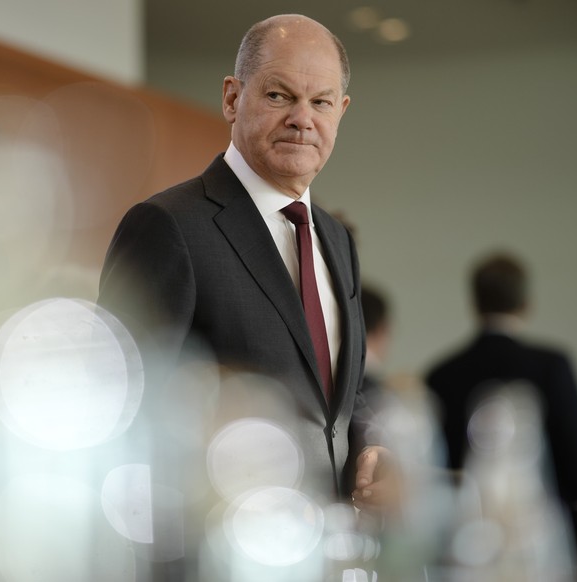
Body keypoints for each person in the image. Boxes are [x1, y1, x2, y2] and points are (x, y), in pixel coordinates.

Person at [98, 11, 397, 545]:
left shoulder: (337, 238)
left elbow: (335, 397)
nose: (303, 119)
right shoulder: (168, 226)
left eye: (321, 102)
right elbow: (121, 412)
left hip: (322, 551)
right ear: (233, 98)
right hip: (212, 551)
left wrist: (370, 447)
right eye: (280, 96)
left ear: (341, 112)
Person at [423, 251, 577, 557]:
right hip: (544, 548)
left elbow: (435, 476)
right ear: (526, 304)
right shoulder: (553, 366)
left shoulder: (441, 374)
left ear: (474, 304)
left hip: (465, 545)